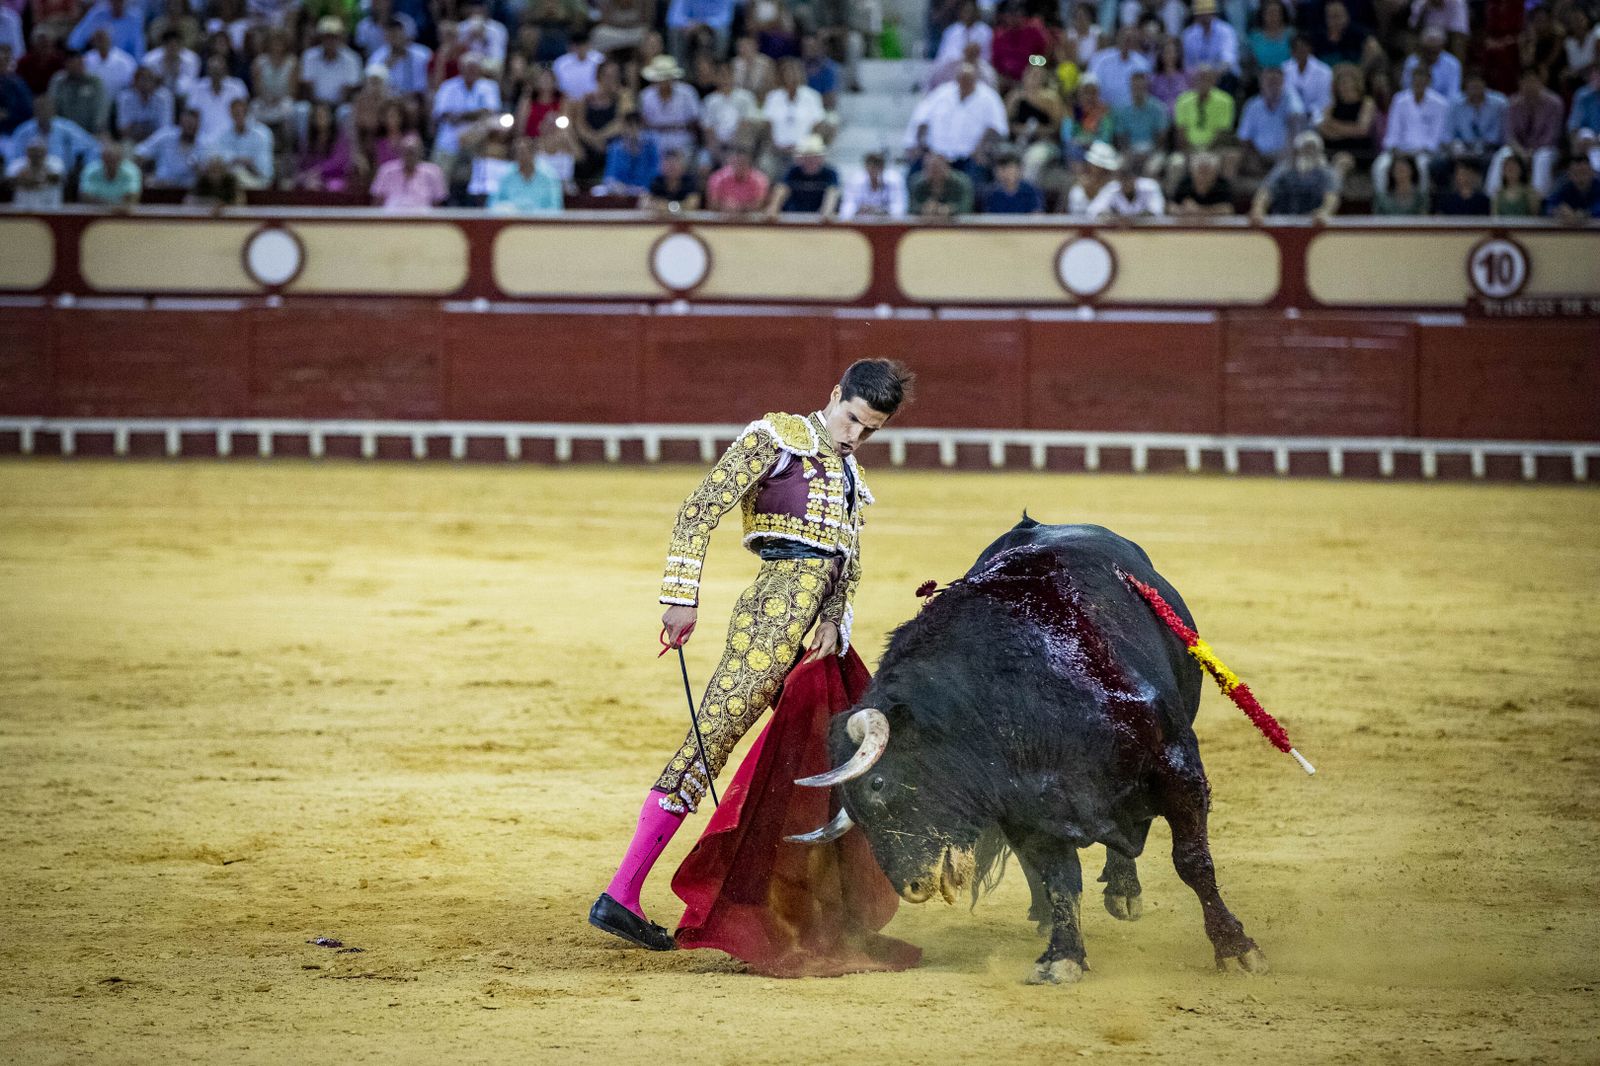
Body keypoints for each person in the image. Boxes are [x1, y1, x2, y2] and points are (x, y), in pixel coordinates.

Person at [590, 360, 916, 952]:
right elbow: (698, 510)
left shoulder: (849, 475)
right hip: (767, 619)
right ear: (834, 395)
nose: (854, 437)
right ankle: (622, 894)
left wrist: (831, 620)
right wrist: (679, 597)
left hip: (816, 639)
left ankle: (791, 907)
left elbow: (847, 559)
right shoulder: (776, 439)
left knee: (827, 755)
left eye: (869, 431)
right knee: (708, 747)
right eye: (851, 420)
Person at [1251, 129, 1340, 220]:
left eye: (1313, 148)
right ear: (1297, 151)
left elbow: (1331, 197)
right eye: (1306, 148)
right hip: (1282, 220)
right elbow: (1265, 191)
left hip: (1312, 221)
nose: (1309, 152)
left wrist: (1324, 212)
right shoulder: (1284, 170)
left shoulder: (1327, 172)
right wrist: (1258, 209)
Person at [207, 96, 274, 190]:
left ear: (247, 113)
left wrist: (246, 164)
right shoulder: (224, 136)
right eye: (234, 114)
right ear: (230, 114)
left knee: (236, 175)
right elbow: (221, 161)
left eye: (239, 113)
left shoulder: (262, 134)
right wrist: (239, 160)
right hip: (230, 181)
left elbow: (265, 170)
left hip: (257, 181)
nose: (237, 117)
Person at [768, 133, 839, 217]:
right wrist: (772, 211)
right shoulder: (792, 172)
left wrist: (826, 215)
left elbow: (832, 194)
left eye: (814, 157)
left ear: (821, 158)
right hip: (792, 217)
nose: (811, 160)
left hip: (818, 218)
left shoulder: (830, 173)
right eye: (807, 157)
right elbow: (781, 190)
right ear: (800, 158)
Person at [370, 131, 445, 208]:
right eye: (406, 151)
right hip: (392, 217)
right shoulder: (386, 170)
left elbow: (438, 203)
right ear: (399, 151)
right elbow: (377, 201)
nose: (409, 156)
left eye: (412, 152)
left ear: (421, 152)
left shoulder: (433, 171)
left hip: (423, 217)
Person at [489, 133, 562, 212]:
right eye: (517, 152)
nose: (520, 156)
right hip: (511, 221)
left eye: (523, 152)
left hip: (540, 222)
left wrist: (533, 214)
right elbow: (492, 205)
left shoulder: (549, 176)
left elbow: (555, 208)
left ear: (533, 153)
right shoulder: (505, 174)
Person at [135, 106, 204, 188]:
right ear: (180, 122)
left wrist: (199, 170)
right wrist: (143, 176)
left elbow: (206, 174)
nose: (190, 127)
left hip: (187, 191)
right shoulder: (166, 136)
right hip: (161, 186)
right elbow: (140, 152)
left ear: (198, 125)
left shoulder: (204, 144)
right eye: (187, 124)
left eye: (193, 126)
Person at [599, 110, 659, 195]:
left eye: (636, 126)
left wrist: (644, 187)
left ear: (641, 127)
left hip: (644, 190)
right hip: (620, 190)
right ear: (624, 127)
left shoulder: (650, 147)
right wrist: (620, 187)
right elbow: (609, 176)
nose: (633, 130)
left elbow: (655, 172)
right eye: (630, 126)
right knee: (600, 190)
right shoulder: (615, 148)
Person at [1087, 154, 1165, 218]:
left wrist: (1125, 218)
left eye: (1129, 178)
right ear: (1119, 179)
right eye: (1123, 179)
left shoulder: (1150, 187)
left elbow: (1156, 211)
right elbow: (1093, 210)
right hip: (1119, 232)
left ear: (1136, 178)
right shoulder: (1112, 188)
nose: (1126, 183)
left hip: (1146, 232)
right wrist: (1104, 214)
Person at [839, 150, 907, 218]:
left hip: (886, 223)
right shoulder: (855, 181)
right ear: (866, 167)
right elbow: (846, 208)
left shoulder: (895, 180)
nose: (875, 170)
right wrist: (857, 210)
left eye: (878, 166)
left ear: (883, 168)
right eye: (872, 166)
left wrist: (881, 211)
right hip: (861, 223)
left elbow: (900, 208)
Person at [908, 149, 974, 217]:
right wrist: (923, 208)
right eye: (928, 168)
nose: (933, 172)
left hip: (957, 223)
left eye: (936, 168)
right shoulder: (916, 183)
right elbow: (911, 208)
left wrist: (950, 209)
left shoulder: (961, 182)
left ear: (947, 167)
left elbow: (966, 207)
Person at [705, 144, 769, 213]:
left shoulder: (760, 179)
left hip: (751, 220)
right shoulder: (717, 178)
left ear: (749, 163)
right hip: (723, 217)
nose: (739, 167)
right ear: (731, 162)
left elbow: (761, 205)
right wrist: (724, 205)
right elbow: (711, 205)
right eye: (736, 163)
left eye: (742, 163)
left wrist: (739, 207)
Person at [77, 135, 140, 204]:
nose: (111, 162)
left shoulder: (131, 171)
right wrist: (112, 206)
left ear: (121, 158)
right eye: (108, 159)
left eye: (114, 159)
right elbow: (85, 197)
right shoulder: (90, 170)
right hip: (94, 213)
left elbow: (132, 199)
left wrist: (104, 205)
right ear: (102, 158)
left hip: (122, 214)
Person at [1171, 149, 1235, 214]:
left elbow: (1228, 209)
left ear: (1215, 173)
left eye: (1207, 172)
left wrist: (1198, 209)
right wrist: (1181, 210)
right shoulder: (1185, 183)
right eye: (1200, 171)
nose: (1203, 176)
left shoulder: (1222, 185)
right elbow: (1170, 206)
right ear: (1192, 172)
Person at [6, 137, 66, 207]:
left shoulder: (56, 162)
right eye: (33, 151)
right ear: (27, 151)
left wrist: (35, 174)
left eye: (39, 151)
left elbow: (57, 178)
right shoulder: (16, 164)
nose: (36, 154)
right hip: (22, 209)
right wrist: (36, 175)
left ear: (46, 151)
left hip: (50, 208)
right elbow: (8, 183)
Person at [1542, 153, 1600, 220]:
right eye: (1576, 173)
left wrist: (1587, 213)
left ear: (1592, 172)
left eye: (1584, 173)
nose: (1580, 177)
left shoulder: (1598, 187)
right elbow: (1548, 204)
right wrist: (1558, 209)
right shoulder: (1564, 187)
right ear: (1569, 174)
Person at [644, 147, 700, 212]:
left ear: (683, 167)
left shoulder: (690, 181)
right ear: (662, 167)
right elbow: (645, 204)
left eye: (675, 165)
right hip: (661, 219)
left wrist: (666, 206)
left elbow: (693, 205)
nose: (672, 168)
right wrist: (681, 206)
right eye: (669, 165)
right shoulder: (656, 181)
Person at [1491, 150, 1537, 215]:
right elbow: (1494, 218)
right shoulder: (1498, 194)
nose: (1510, 170)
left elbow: (1535, 217)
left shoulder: (1530, 193)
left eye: (1514, 167)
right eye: (1507, 167)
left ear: (1521, 170)